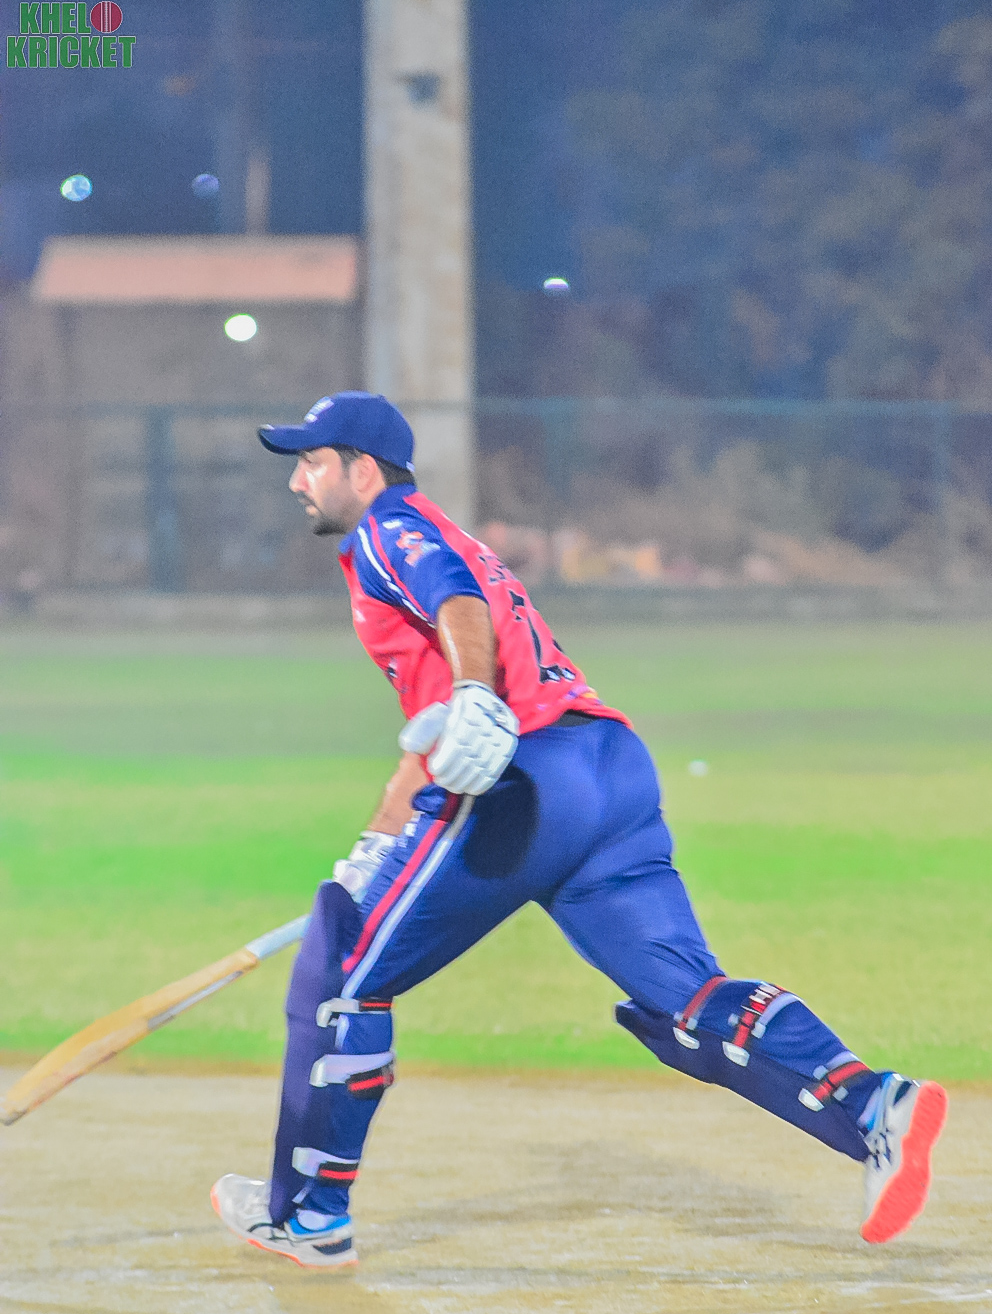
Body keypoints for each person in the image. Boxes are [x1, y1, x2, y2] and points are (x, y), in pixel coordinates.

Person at [211, 391, 948, 1268]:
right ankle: (871, 1102)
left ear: (360, 470)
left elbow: (456, 609)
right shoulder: (445, 532)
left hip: (531, 785)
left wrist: (476, 695)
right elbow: (433, 726)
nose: (297, 481)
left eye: (310, 462)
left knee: (343, 984)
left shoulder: (387, 530)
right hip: (609, 768)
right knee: (686, 997)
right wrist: (376, 846)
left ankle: (310, 1217)